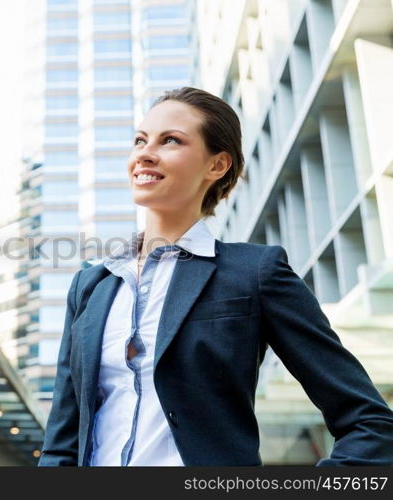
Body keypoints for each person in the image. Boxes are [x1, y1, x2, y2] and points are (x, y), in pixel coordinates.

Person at [38, 86, 393, 466]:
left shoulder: (254, 273)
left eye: (170, 141)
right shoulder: (91, 286)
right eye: (140, 140)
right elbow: (62, 444)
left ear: (217, 165)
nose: (145, 153)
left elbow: (369, 423)